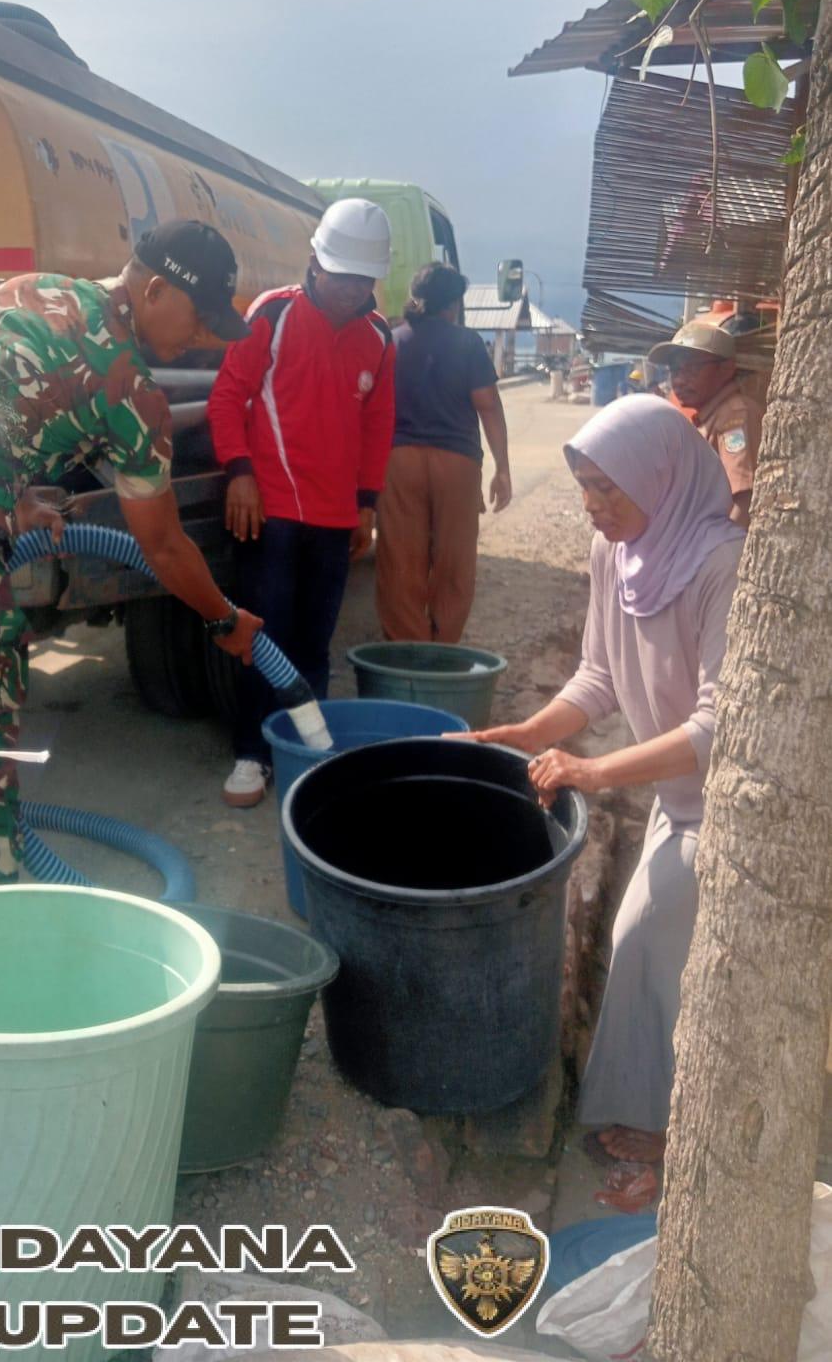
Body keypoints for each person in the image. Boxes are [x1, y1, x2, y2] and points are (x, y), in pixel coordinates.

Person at [0, 220, 262, 892]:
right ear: (155, 290)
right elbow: (163, 544)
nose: (203, 339)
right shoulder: (131, 392)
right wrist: (224, 618)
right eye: (201, 319)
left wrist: (11, 495)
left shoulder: (23, 287)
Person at [470, 394, 743, 1211]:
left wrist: (594, 774)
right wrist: (528, 728)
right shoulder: (612, 552)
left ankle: (669, 1132)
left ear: (661, 477)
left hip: (730, 805)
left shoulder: (719, 563)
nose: (594, 505)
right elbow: (596, 675)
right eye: (585, 486)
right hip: (675, 791)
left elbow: (718, 723)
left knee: (653, 941)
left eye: (608, 488)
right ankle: (650, 1111)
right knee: (645, 944)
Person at [207, 198, 396, 807]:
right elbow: (227, 397)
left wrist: (367, 503)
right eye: (343, 277)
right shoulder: (272, 314)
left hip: (336, 516)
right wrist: (238, 472)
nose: (352, 291)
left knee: (315, 643)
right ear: (315, 261)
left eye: (363, 280)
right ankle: (250, 754)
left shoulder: (378, 338)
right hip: (272, 511)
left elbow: (378, 425)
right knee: (265, 637)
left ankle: (304, 749)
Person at [374, 263, 512, 644]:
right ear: (453, 304)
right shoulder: (468, 343)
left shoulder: (391, 340)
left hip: (399, 462)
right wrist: (502, 467)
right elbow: (487, 405)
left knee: (401, 561)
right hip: (457, 463)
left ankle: (407, 651)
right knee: (454, 561)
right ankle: (443, 646)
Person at [647, 320, 762, 527]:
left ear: (725, 369)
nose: (679, 381)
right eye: (675, 371)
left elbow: (744, 503)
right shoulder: (711, 417)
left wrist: (718, 556)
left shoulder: (734, 416)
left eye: (691, 369)